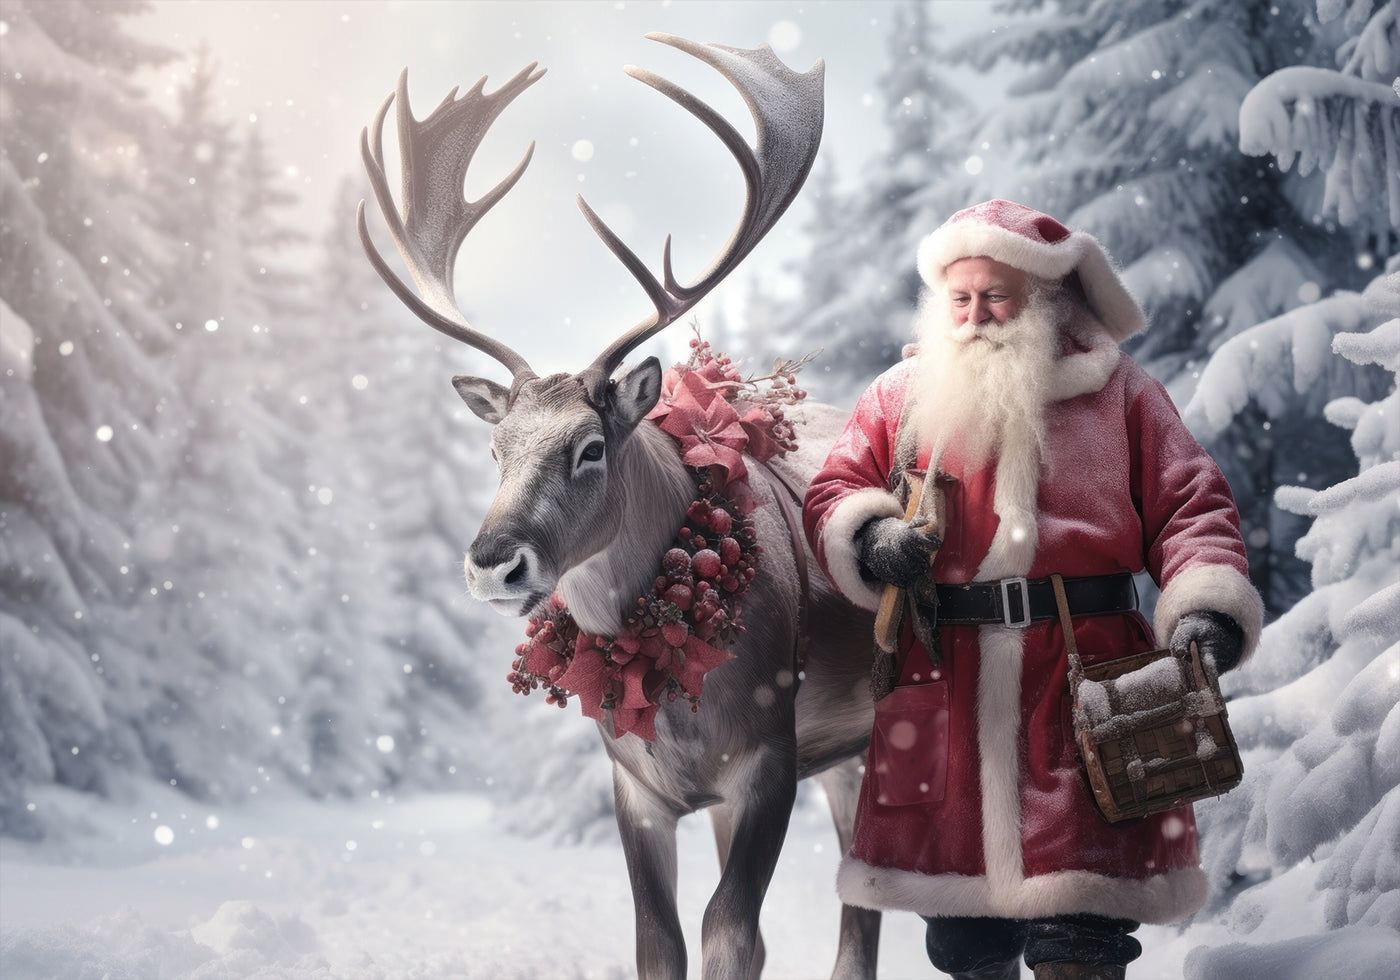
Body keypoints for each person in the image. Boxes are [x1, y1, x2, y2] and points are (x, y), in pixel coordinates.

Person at [802, 200, 1263, 980]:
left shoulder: (1123, 394)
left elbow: (1192, 503)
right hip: (942, 685)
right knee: (964, 948)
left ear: (1046, 297)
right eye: (960, 298)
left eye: (997, 296)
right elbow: (834, 488)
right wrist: (870, 535)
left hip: (1091, 683)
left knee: (1080, 940)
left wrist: (1207, 602)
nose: (976, 315)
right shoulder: (899, 394)